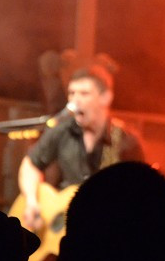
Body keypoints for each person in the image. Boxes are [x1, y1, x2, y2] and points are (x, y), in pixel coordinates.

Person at [17, 65, 143, 233]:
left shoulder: (127, 141)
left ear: (105, 97)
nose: (75, 101)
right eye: (72, 93)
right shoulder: (62, 130)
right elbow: (31, 164)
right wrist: (32, 201)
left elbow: (140, 194)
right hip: (62, 227)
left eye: (84, 93)